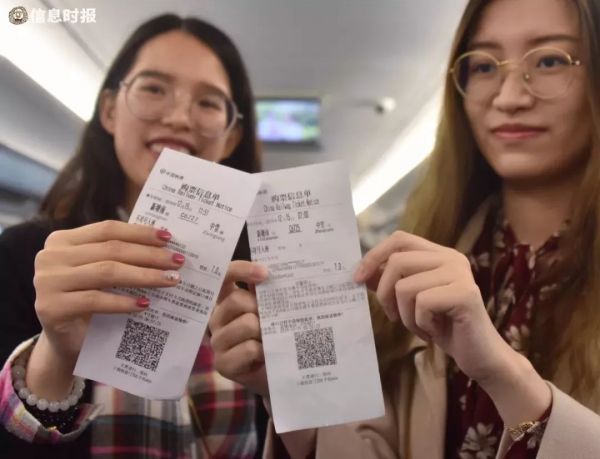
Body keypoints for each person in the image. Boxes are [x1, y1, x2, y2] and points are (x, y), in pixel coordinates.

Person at [209, 0, 600, 457]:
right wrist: (293, 395)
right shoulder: (420, 261)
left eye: (550, 60)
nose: (509, 96)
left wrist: (508, 379)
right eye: (483, 66)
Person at [0, 14, 264, 458]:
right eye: (154, 88)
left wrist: (276, 388)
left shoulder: (257, 271)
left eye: (208, 102)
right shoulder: (27, 255)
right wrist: (56, 354)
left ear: (231, 134)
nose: (179, 117)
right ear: (109, 110)